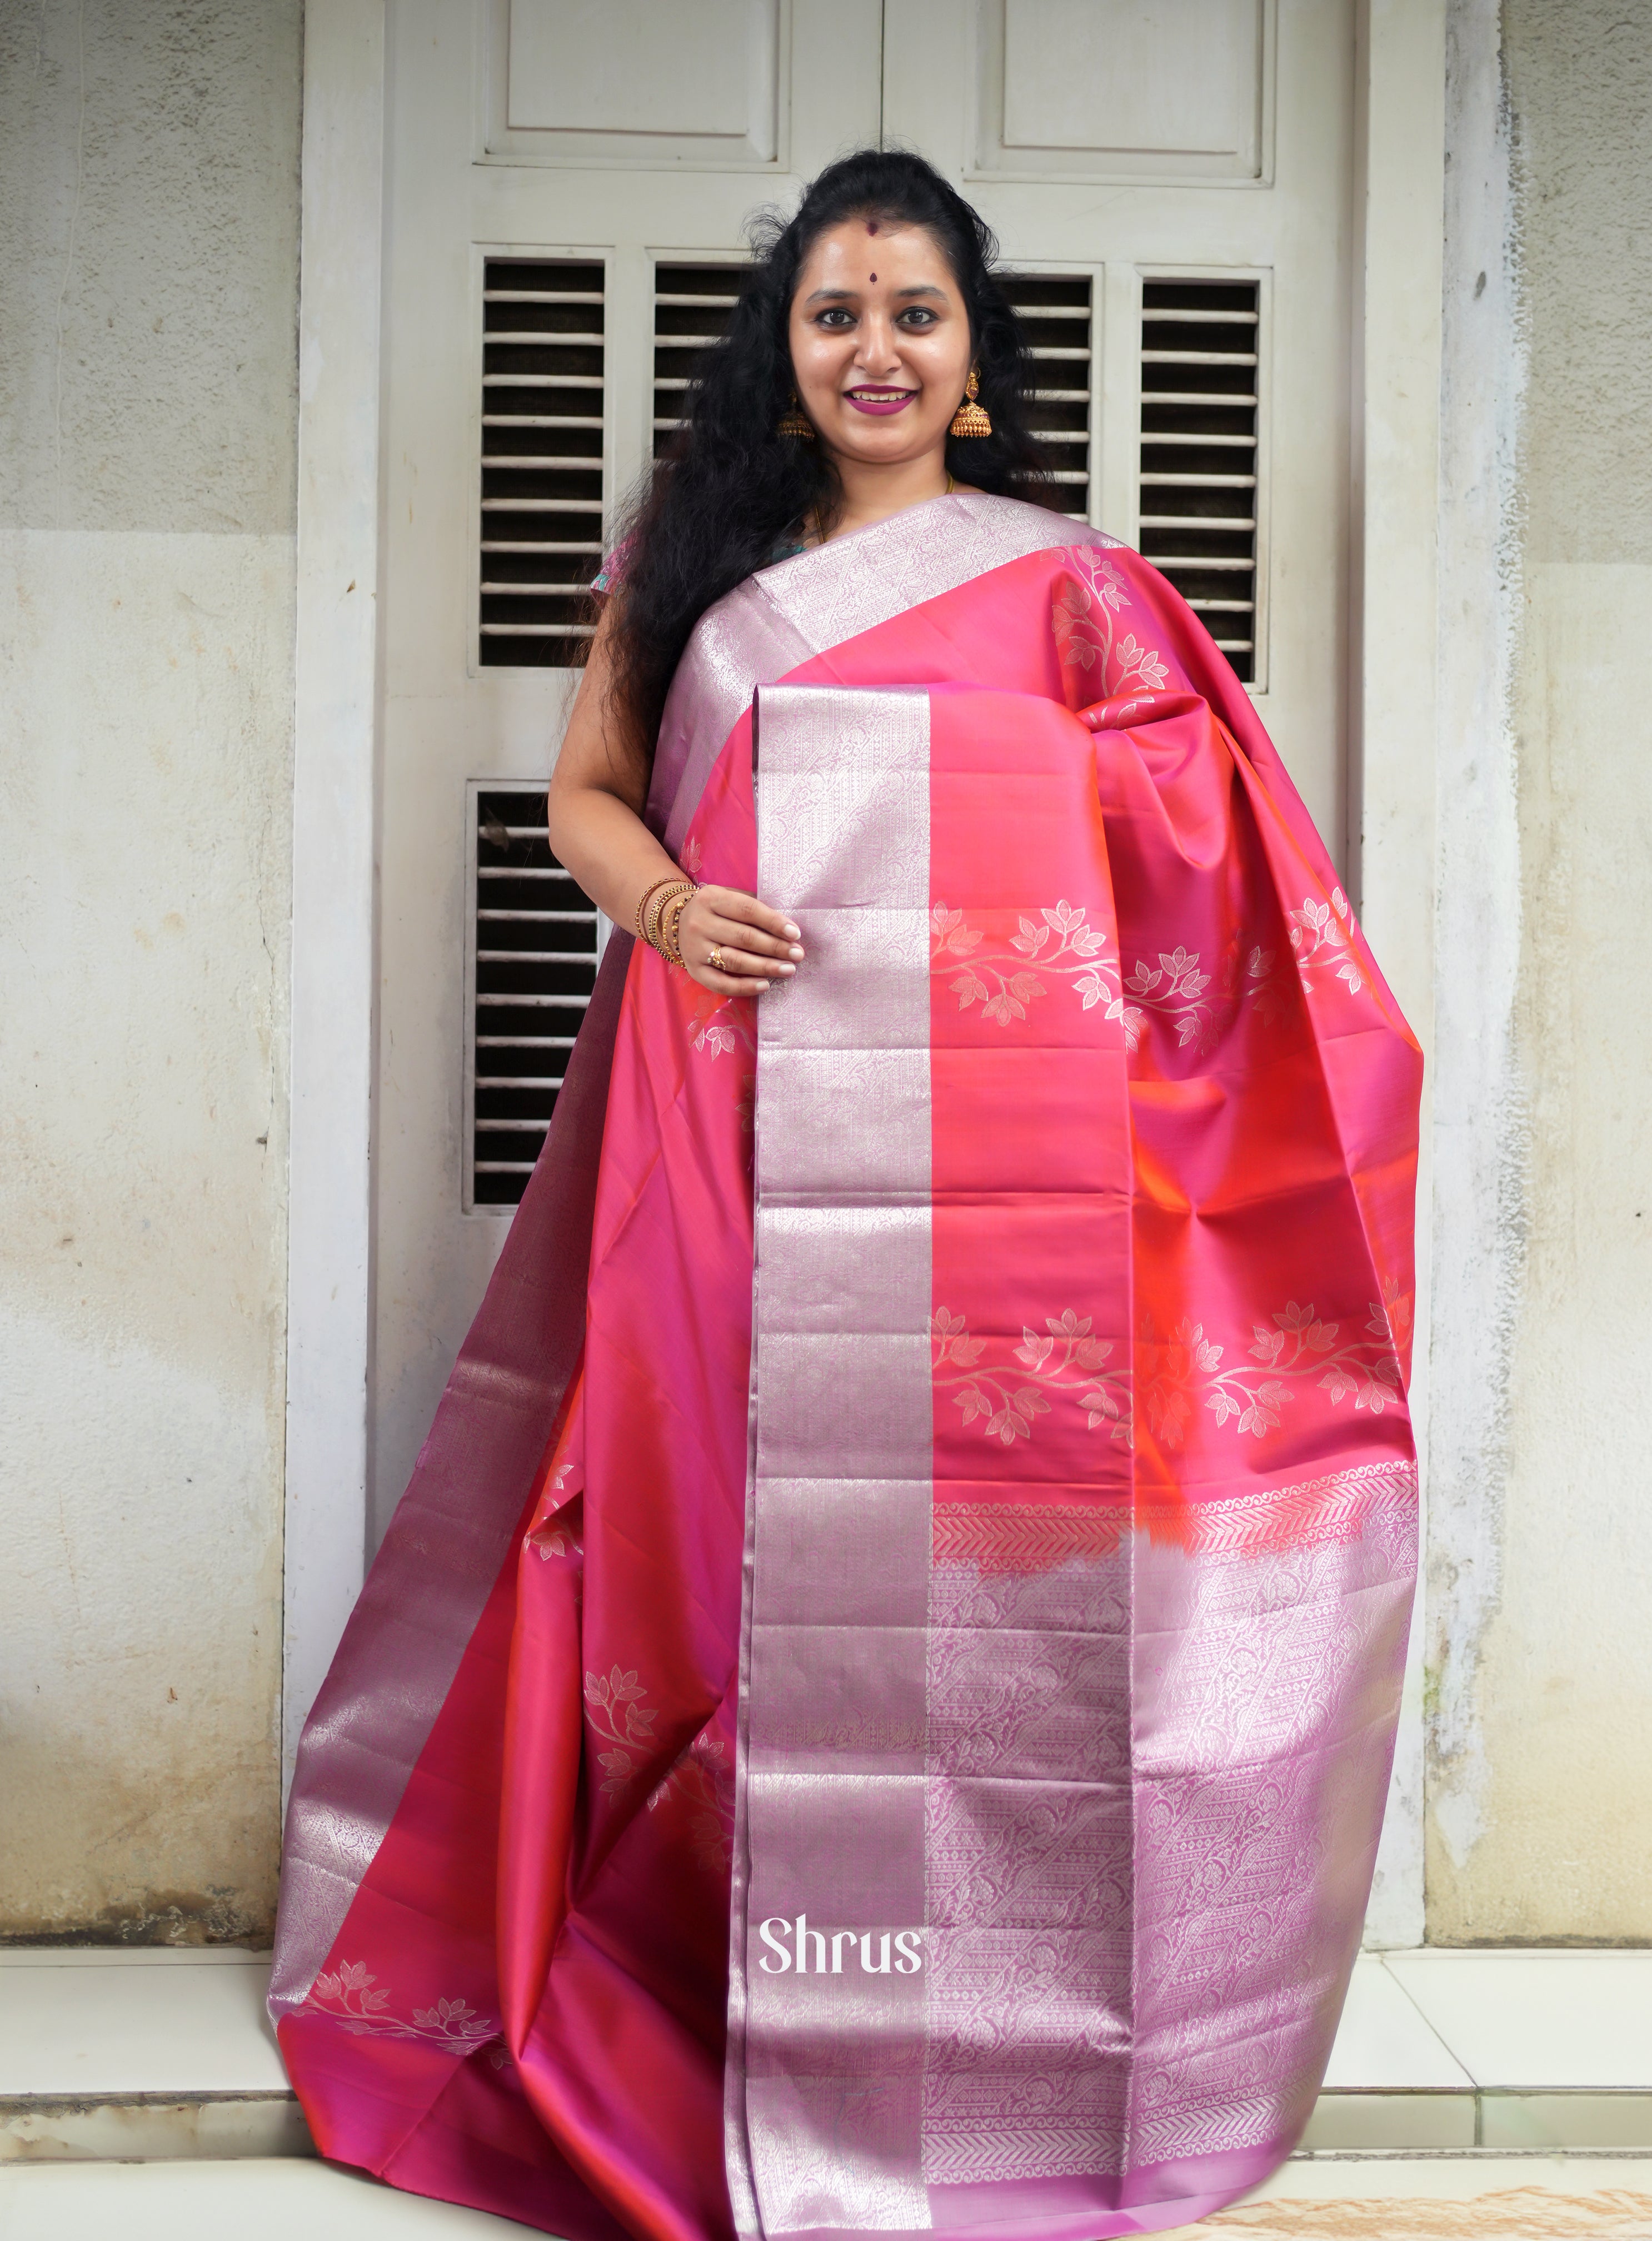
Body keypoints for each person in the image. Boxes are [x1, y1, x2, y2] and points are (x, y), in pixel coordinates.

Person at [270, 150, 1422, 2241]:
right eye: (834, 313)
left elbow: (1210, 866)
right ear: (784, 356)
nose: (874, 347)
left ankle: (991, 2043)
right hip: (727, 1139)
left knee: (992, 1592)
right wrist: (680, 904)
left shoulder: (1078, 589)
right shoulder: (695, 570)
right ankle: (716, 2020)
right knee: (694, 1545)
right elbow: (585, 801)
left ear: (976, 364)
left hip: (1014, 1208)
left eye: (915, 312)